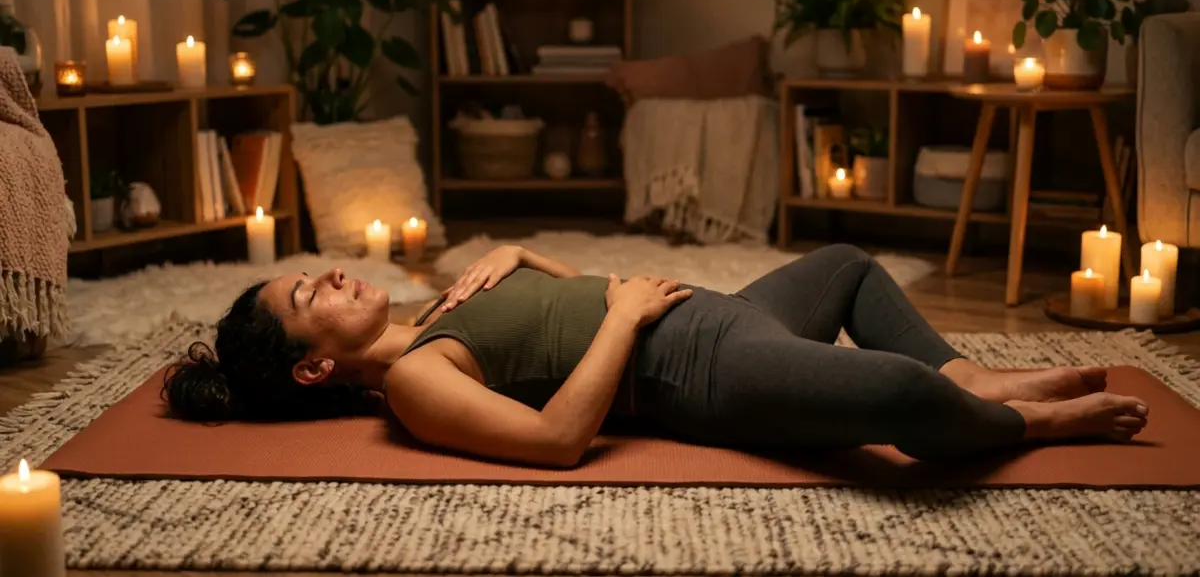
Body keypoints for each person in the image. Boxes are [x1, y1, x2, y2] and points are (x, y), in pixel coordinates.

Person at [163, 243, 1149, 468]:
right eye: (310, 296)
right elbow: (556, 438)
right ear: (310, 368)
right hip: (703, 373)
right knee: (891, 395)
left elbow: (557, 296)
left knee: (848, 266)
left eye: (319, 273)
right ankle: (1022, 423)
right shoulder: (416, 384)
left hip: (722, 311)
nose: (332, 275)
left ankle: (970, 377)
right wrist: (626, 319)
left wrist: (522, 255)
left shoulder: (438, 305)